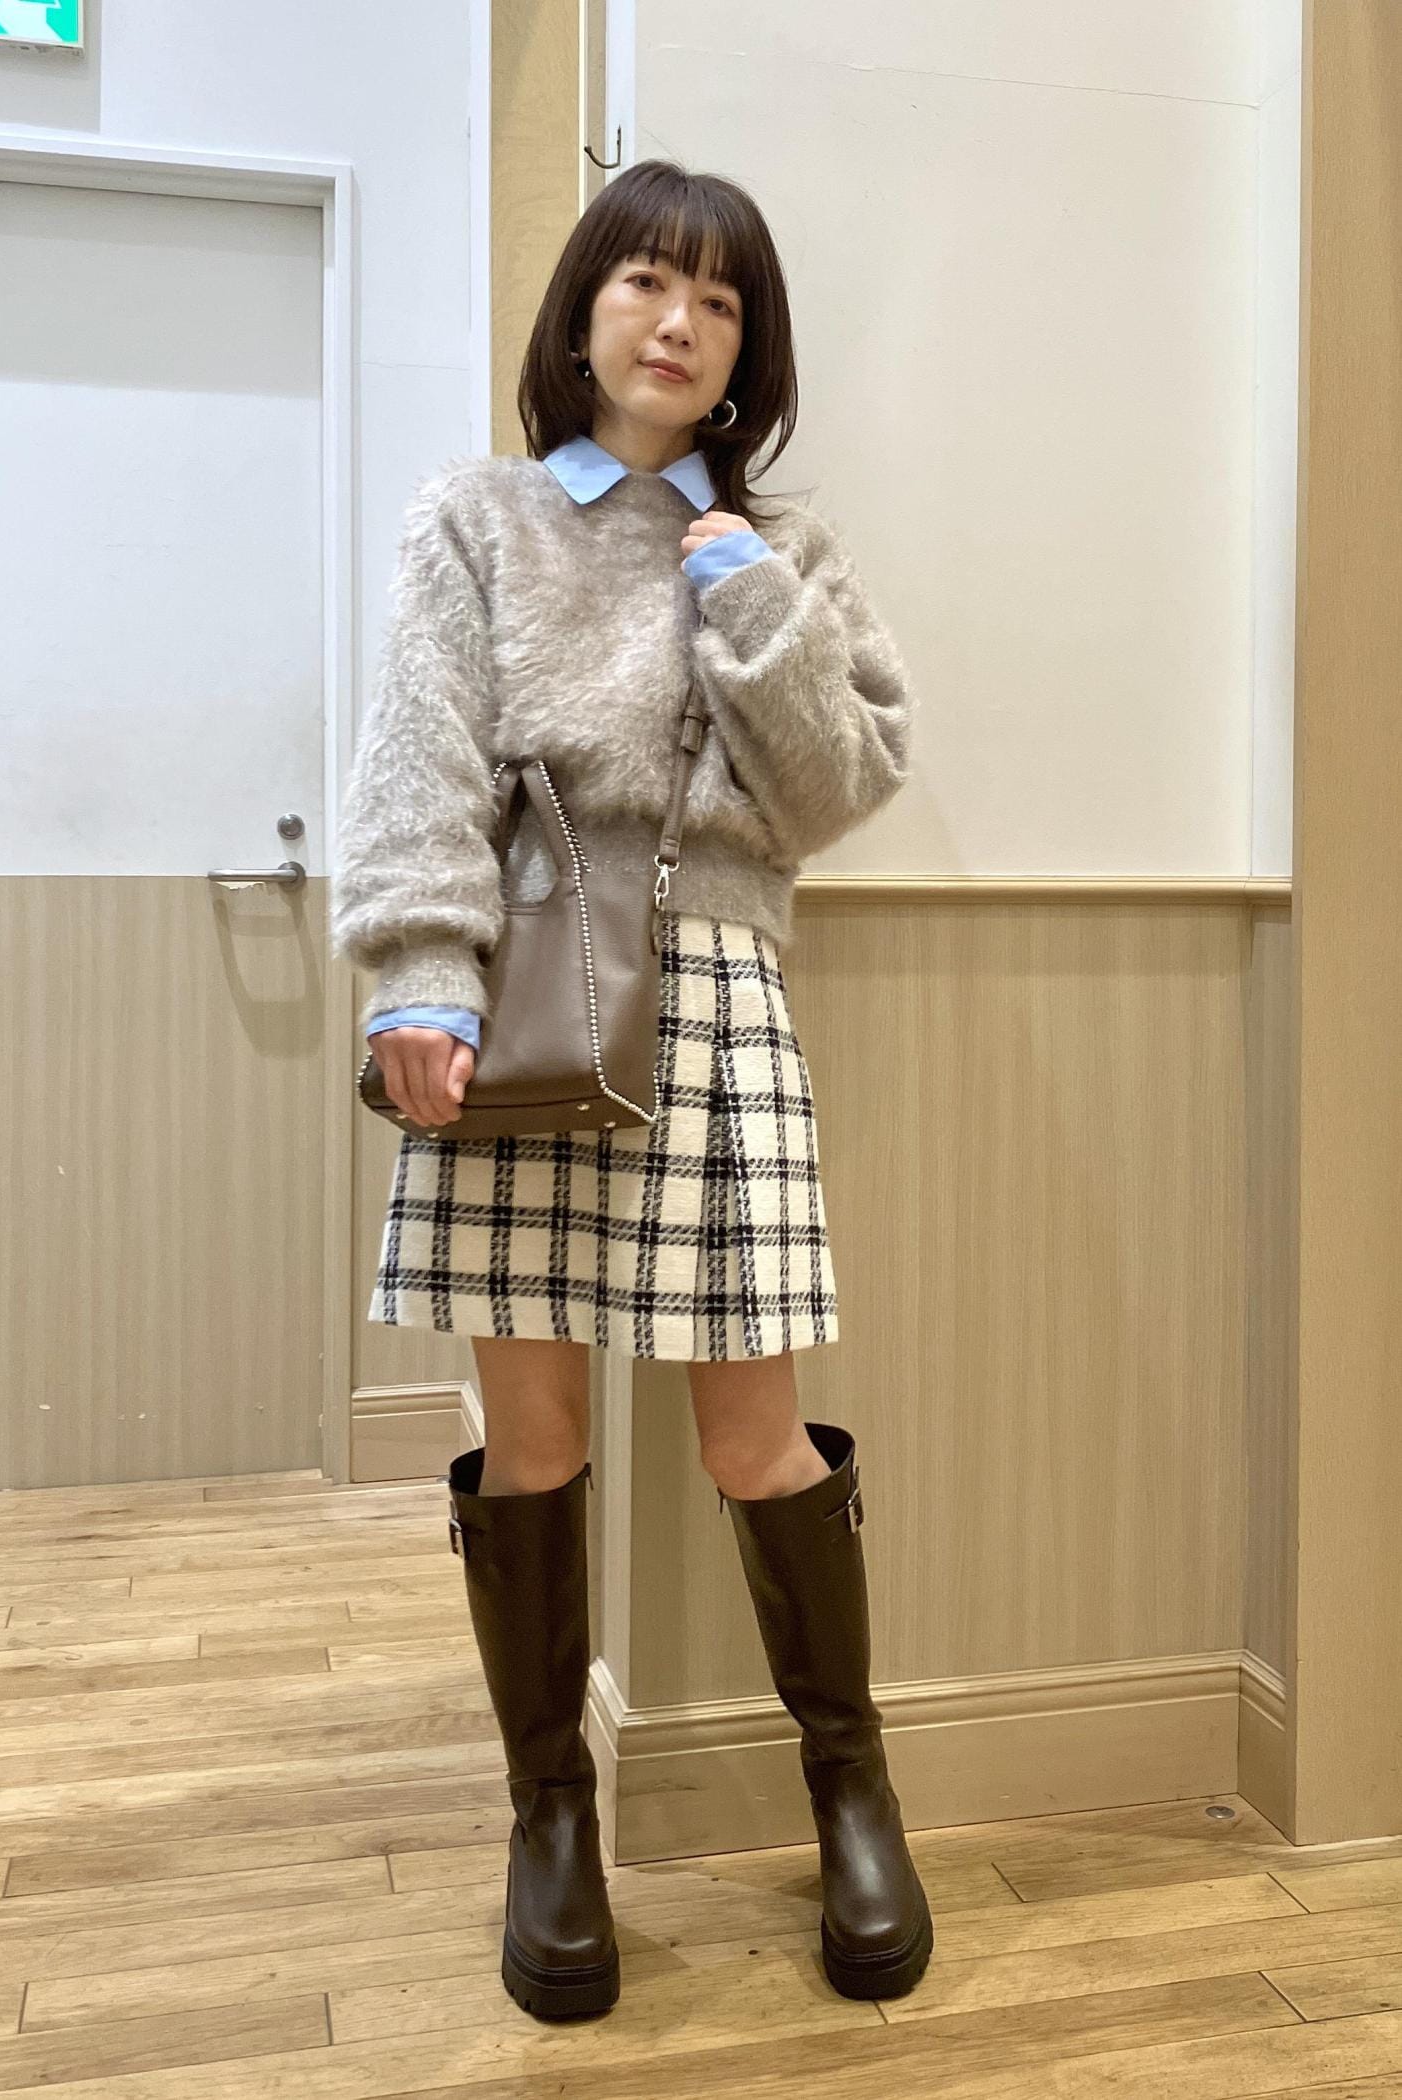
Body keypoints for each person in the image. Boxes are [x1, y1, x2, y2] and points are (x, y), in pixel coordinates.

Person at [330, 158, 933, 2021]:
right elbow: (421, 760)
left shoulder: (783, 552)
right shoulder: (481, 518)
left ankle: (852, 1789)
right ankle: (551, 1819)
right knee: (535, 1443)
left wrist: (749, 605)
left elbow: (836, 791)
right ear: (583, 312)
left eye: (722, 301)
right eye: (648, 285)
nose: (680, 324)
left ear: (751, 350)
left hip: (722, 1001)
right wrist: (417, 975)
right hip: (523, 1006)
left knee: (757, 1437)